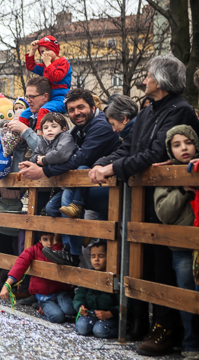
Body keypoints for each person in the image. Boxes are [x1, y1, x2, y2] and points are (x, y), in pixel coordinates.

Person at [91, 55, 199, 354]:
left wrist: (113, 169)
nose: (144, 78)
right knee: (147, 265)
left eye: (148, 74)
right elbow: (129, 147)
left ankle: (170, 330)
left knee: (167, 267)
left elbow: (154, 153)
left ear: (161, 80)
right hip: (141, 202)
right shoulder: (149, 110)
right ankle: (149, 323)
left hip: (169, 203)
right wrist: (101, 164)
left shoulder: (180, 110)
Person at [19, 88, 120, 267]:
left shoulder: (101, 125)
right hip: (84, 185)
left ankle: (72, 252)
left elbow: (79, 159)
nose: (76, 113)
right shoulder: (78, 130)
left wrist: (43, 170)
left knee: (69, 203)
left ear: (92, 106)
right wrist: (36, 160)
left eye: (80, 107)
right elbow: (57, 151)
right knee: (51, 208)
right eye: (71, 110)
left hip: (108, 188)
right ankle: (71, 245)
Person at [153, 125, 199, 358]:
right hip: (181, 246)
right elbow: (163, 213)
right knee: (186, 294)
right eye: (177, 144)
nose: (184, 148)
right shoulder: (167, 174)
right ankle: (191, 343)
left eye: (188, 143)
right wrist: (183, 191)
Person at [0, 232, 76, 324]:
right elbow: (20, 265)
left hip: (61, 292)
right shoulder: (34, 250)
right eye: (45, 239)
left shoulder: (61, 250)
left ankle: (56, 307)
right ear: (39, 240)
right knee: (58, 317)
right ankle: (42, 309)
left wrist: (57, 244)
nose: (49, 243)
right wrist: (7, 285)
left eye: (52, 239)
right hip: (44, 296)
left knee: (70, 310)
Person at [19, 35, 71, 129]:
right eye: (42, 51)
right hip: (48, 98)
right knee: (24, 114)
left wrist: (48, 63)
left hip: (60, 99)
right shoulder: (44, 67)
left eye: (48, 49)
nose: (45, 53)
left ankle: (40, 133)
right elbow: (30, 66)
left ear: (55, 49)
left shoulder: (63, 62)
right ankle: (19, 136)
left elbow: (57, 77)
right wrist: (33, 50)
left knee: (43, 110)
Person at [73, 242, 119, 339]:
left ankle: (120, 330)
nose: (96, 259)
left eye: (101, 256)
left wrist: (110, 313)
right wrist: (80, 307)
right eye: (93, 256)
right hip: (92, 313)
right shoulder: (89, 275)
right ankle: (94, 325)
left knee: (100, 331)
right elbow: (79, 295)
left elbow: (125, 303)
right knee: (81, 328)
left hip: (111, 315)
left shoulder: (115, 276)